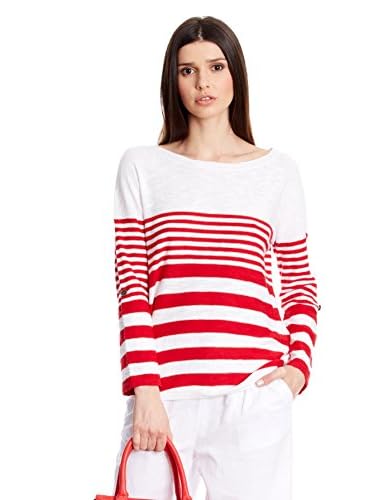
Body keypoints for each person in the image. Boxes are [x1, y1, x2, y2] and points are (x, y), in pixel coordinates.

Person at [111, 15, 321, 500]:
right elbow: (132, 285)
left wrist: (295, 372)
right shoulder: (142, 166)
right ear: (173, 81)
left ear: (235, 75)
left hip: (253, 397)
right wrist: (145, 390)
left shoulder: (277, 172)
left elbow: (298, 283)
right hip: (163, 397)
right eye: (187, 70)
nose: (202, 82)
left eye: (216, 67)